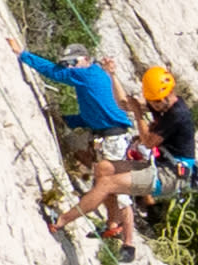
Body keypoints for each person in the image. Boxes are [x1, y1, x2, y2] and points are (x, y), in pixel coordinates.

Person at [71, 64, 198, 259]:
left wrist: (138, 114)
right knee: (105, 172)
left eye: (159, 101)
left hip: (173, 173)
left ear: (170, 92)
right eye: (154, 101)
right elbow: (124, 103)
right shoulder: (160, 105)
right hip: (161, 165)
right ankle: (113, 226)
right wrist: (113, 74)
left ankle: (127, 243)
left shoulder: (177, 114)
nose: (157, 104)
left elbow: (148, 141)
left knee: (114, 184)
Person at [19, 46, 136, 240]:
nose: (70, 67)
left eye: (73, 63)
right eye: (67, 64)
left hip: (113, 138)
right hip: (112, 136)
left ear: (86, 59)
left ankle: (126, 240)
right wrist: (69, 120)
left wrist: (23, 55)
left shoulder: (87, 75)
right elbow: (96, 113)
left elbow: (53, 72)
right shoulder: (95, 75)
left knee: (114, 190)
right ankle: (113, 225)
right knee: (106, 186)